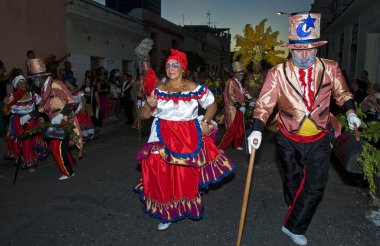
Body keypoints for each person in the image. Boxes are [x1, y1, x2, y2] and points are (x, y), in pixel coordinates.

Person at [247, 13, 362, 245]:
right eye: (299, 50)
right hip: (287, 136)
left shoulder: (330, 68)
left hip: (320, 137)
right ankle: (296, 205)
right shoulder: (277, 73)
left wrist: (350, 112)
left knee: (316, 185)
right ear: (291, 50)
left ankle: (294, 225)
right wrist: (257, 129)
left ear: (317, 48)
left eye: (309, 49)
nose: (304, 55)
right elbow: (264, 104)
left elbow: (342, 93)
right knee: (292, 180)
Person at [134, 49, 236, 231]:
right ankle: (167, 213)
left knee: (183, 176)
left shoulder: (194, 88)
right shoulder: (158, 90)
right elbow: (143, 116)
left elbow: (212, 105)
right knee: (160, 172)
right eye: (168, 65)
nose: (171, 68)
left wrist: (205, 121)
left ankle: (182, 206)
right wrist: (148, 106)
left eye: (175, 65)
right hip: (161, 135)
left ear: (183, 68)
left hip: (186, 137)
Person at [27, 58, 82, 180]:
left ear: (40, 77)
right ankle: (71, 164)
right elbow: (43, 107)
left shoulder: (56, 84)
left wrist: (61, 116)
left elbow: (71, 101)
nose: (34, 82)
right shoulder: (43, 88)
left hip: (64, 120)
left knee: (56, 147)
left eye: (34, 79)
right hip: (55, 121)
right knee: (60, 145)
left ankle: (68, 172)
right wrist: (30, 115)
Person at [3, 75, 48, 171]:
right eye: (20, 84)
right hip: (19, 122)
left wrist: (40, 112)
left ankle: (30, 158)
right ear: (16, 86)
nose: (22, 85)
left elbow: (42, 104)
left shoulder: (32, 95)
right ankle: (27, 161)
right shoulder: (12, 97)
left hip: (32, 120)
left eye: (23, 83)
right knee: (25, 141)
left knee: (31, 140)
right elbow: (6, 113)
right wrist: (5, 103)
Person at [218, 61, 254, 151]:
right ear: (236, 74)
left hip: (240, 108)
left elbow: (242, 91)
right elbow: (231, 96)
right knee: (231, 129)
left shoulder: (238, 82)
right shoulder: (231, 82)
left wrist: (249, 98)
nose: (242, 74)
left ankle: (236, 144)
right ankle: (221, 147)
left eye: (242, 73)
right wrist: (238, 105)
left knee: (240, 128)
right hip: (232, 108)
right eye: (241, 73)